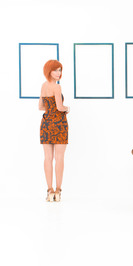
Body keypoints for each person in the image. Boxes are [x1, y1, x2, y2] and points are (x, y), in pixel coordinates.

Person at [39, 60, 70, 201]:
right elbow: (59, 107)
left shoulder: (43, 86)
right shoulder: (57, 87)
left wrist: (50, 110)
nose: (59, 73)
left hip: (46, 123)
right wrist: (67, 108)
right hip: (59, 124)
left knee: (47, 158)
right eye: (56, 70)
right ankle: (58, 191)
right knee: (59, 158)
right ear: (49, 71)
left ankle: (49, 190)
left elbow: (41, 107)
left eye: (60, 70)